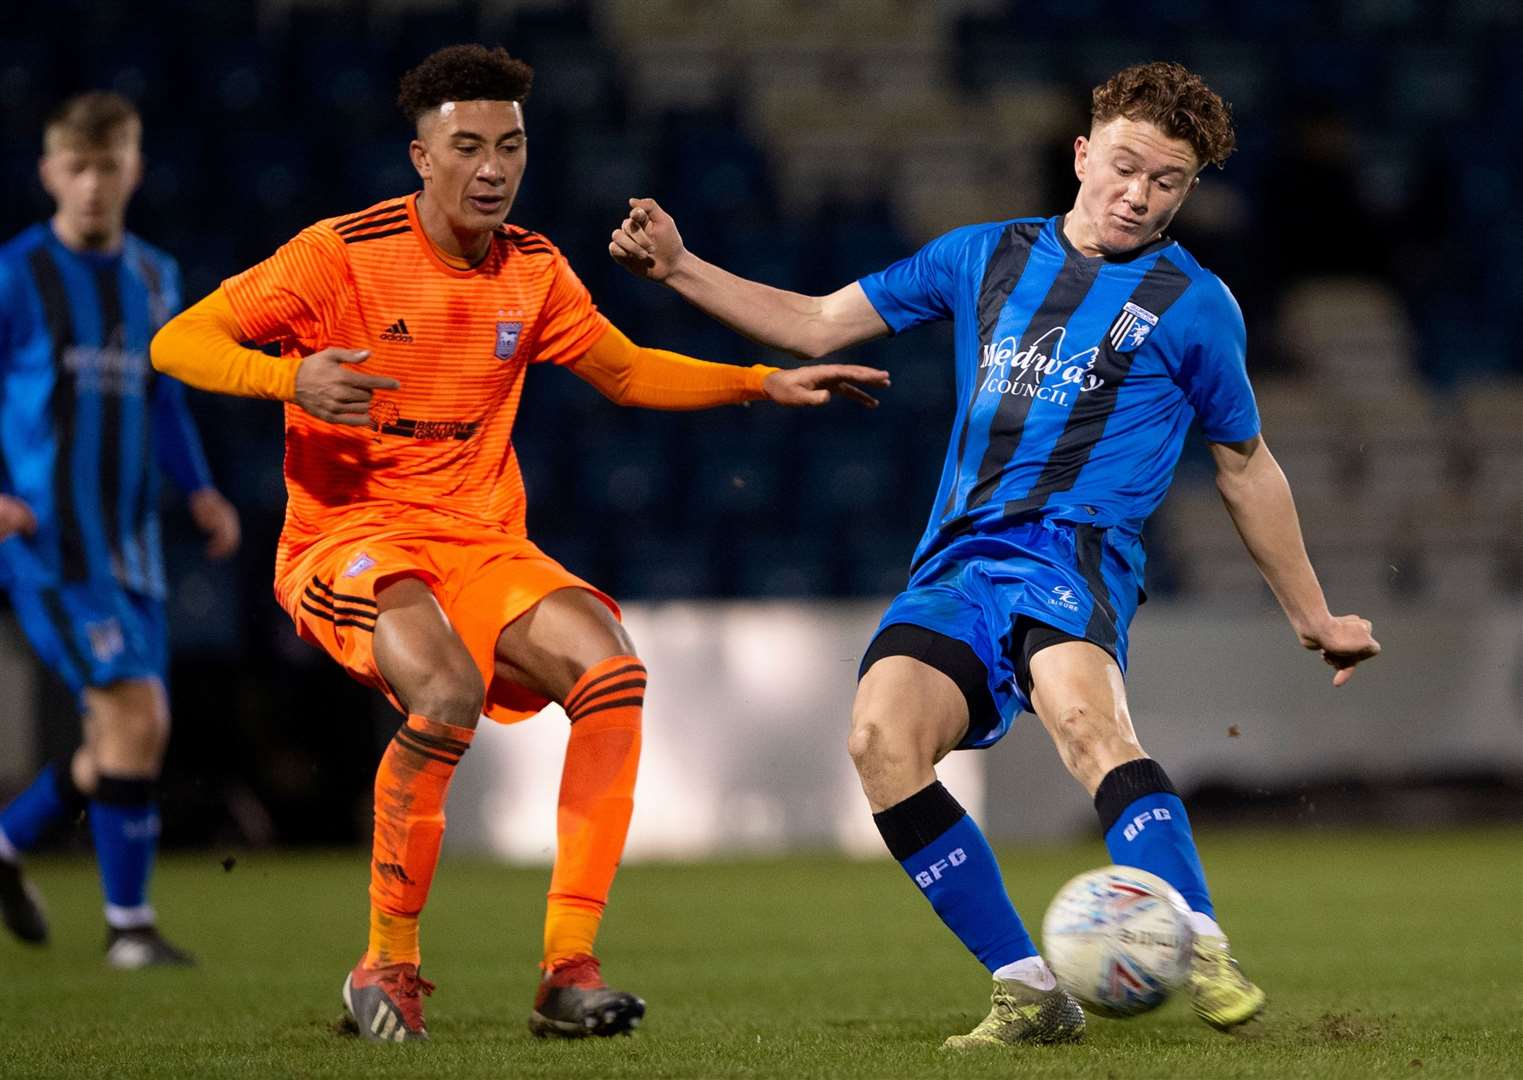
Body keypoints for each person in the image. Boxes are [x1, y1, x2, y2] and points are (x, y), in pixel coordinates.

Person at [610, 61, 1381, 1049]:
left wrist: (1310, 616)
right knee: (879, 742)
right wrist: (677, 267)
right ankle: (1027, 990)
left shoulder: (1194, 303)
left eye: (1167, 182)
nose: (1138, 196)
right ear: (1079, 154)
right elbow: (815, 321)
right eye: (1123, 167)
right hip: (958, 562)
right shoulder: (981, 257)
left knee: (1082, 722)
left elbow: (1244, 464)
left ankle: (1196, 939)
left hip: (1076, 553)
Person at [151, 44, 887, 1043]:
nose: (492, 167)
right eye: (467, 147)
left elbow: (623, 373)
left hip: (482, 540)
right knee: (445, 691)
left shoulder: (532, 268)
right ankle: (387, 966)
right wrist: (290, 381)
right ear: (421, 157)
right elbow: (177, 341)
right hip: (350, 539)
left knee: (612, 672)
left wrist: (761, 382)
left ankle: (566, 970)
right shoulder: (338, 254)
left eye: (511, 145)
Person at [0, 92, 241, 969]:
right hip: (49, 543)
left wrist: (202, 490)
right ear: (49, 173)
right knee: (134, 716)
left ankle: (5, 842)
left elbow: (166, 395)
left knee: (125, 741)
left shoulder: (154, 277)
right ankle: (129, 930)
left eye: (109, 165)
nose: (93, 184)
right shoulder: (15, 275)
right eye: (77, 167)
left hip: (131, 546)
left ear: (134, 170)